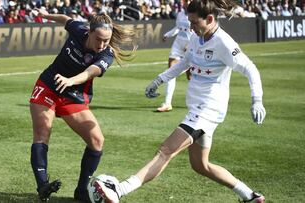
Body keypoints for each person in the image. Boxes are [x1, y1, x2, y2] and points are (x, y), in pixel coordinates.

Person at [92, 0, 266, 202]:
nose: (190, 26)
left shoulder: (224, 43)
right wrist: (159, 80)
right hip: (197, 109)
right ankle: (250, 196)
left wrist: (257, 100)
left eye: (194, 22)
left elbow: (250, 68)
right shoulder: (196, 37)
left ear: (209, 19)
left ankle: (119, 190)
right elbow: (185, 62)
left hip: (207, 111)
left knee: (165, 151)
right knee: (201, 165)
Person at [29, 8, 136, 202]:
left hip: (73, 95)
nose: (103, 44)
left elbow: (90, 73)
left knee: (97, 141)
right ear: (90, 32)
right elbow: (65, 18)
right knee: (42, 132)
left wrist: (70, 81)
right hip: (48, 86)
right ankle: (43, 185)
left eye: (107, 40)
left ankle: (81, 191)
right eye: (99, 39)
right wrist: (45, 16)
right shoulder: (79, 29)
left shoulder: (107, 55)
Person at [157, 0, 193, 112]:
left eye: (188, 1)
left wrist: (191, 44)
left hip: (190, 47)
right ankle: (167, 103)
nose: (185, 3)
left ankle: (199, 101)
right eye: (184, 1)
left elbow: (198, 32)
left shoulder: (197, 13)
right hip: (178, 45)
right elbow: (177, 28)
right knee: (171, 72)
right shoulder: (180, 14)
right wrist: (167, 34)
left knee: (191, 77)